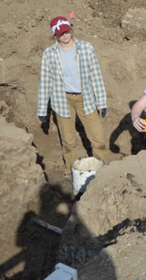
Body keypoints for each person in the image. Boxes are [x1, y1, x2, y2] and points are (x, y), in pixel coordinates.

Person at [37, 16, 109, 174]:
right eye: (61, 33)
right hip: (63, 100)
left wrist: (101, 101)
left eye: (67, 30)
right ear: (55, 34)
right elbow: (45, 83)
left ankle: (103, 170)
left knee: (97, 137)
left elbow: (95, 75)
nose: (65, 35)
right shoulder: (49, 54)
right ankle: (71, 170)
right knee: (68, 141)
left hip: (86, 99)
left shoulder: (86, 48)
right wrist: (42, 109)